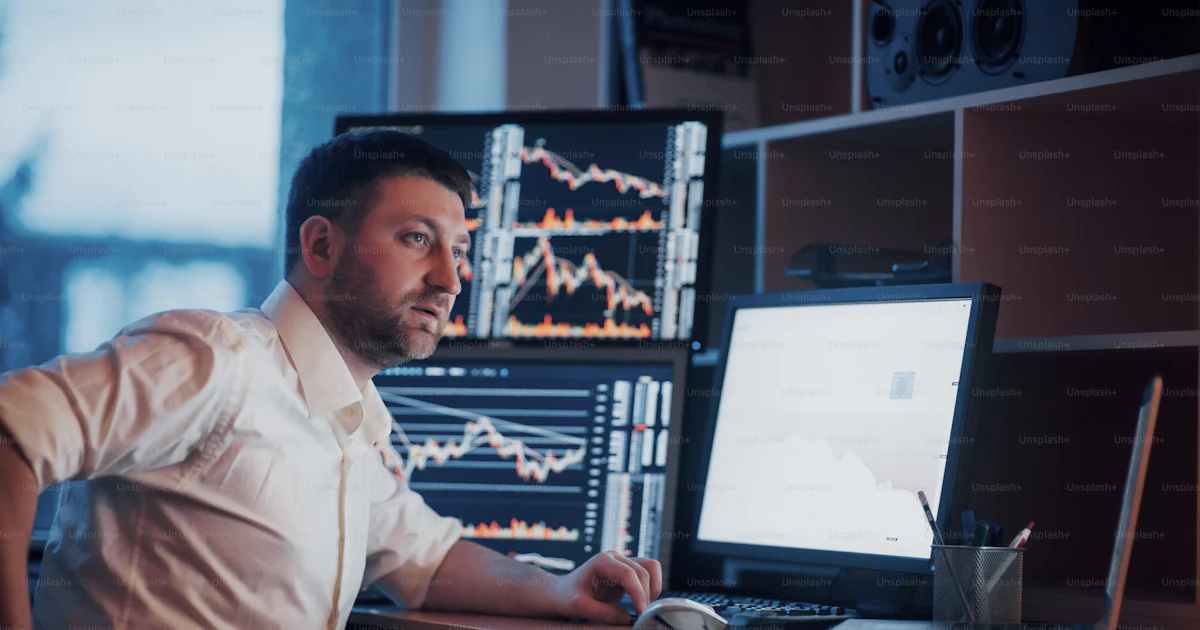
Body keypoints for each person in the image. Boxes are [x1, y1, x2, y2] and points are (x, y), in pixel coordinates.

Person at [0, 130, 661, 629]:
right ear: (321, 247)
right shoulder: (217, 358)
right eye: (415, 239)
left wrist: (559, 589)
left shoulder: (345, 423)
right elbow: (10, 432)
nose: (451, 279)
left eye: (458, 250)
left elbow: (427, 563)